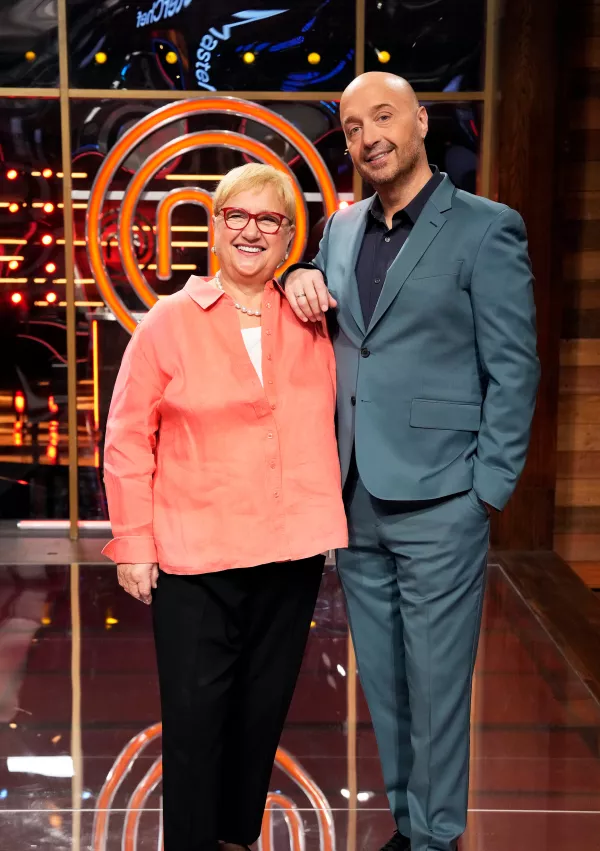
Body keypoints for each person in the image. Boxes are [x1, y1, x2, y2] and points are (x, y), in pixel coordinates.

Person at [283, 73, 540, 851]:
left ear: (421, 121)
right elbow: (331, 324)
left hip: (443, 496)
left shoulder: (485, 228)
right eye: (355, 124)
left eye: (384, 116)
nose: (368, 135)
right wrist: (300, 273)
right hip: (356, 490)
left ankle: (437, 834)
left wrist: (485, 490)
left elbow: (514, 366)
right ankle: (408, 824)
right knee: (388, 683)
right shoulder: (341, 229)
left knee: (435, 681)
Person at [101, 163, 348, 851]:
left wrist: (304, 273)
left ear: (287, 236)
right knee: (193, 719)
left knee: (259, 716)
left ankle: (236, 840)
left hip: (289, 551)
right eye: (236, 215)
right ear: (213, 228)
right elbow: (125, 437)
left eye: (269, 220)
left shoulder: (312, 316)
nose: (250, 230)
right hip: (194, 556)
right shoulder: (170, 322)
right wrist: (134, 542)